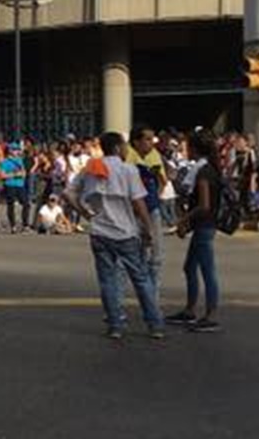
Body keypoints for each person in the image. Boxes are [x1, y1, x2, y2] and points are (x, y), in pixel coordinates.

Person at [68, 133, 164, 343]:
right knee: (141, 278)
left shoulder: (91, 168)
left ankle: (115, 325)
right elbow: (138, 203)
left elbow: (69, 193)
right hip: (125, 232)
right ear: (119, 147)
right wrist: (147, 229)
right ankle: (154, 324)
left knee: (107, 280)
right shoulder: (128, 170)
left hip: (99, 231)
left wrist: (85, 213)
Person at [168, 127, 222, 332]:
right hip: (204, 225)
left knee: (207, 271)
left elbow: (204, 205)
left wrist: (183, 220)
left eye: (188, 147)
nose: (185, 150)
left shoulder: (204, 172)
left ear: (196, 149)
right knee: (190, 267)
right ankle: (190, 311)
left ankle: (211, 315)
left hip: (204, 226)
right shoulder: (209, 168)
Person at [127, 125, 167, 290]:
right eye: (148, 139)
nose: (152, 143)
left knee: (156, 256)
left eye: (153, 139)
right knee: (135, 256)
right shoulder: (128, 157)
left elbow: (162, 179)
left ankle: (152, 297)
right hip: (133, 212)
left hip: (151, 209)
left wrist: (154, 197)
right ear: (136, 142)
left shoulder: (154, 155)